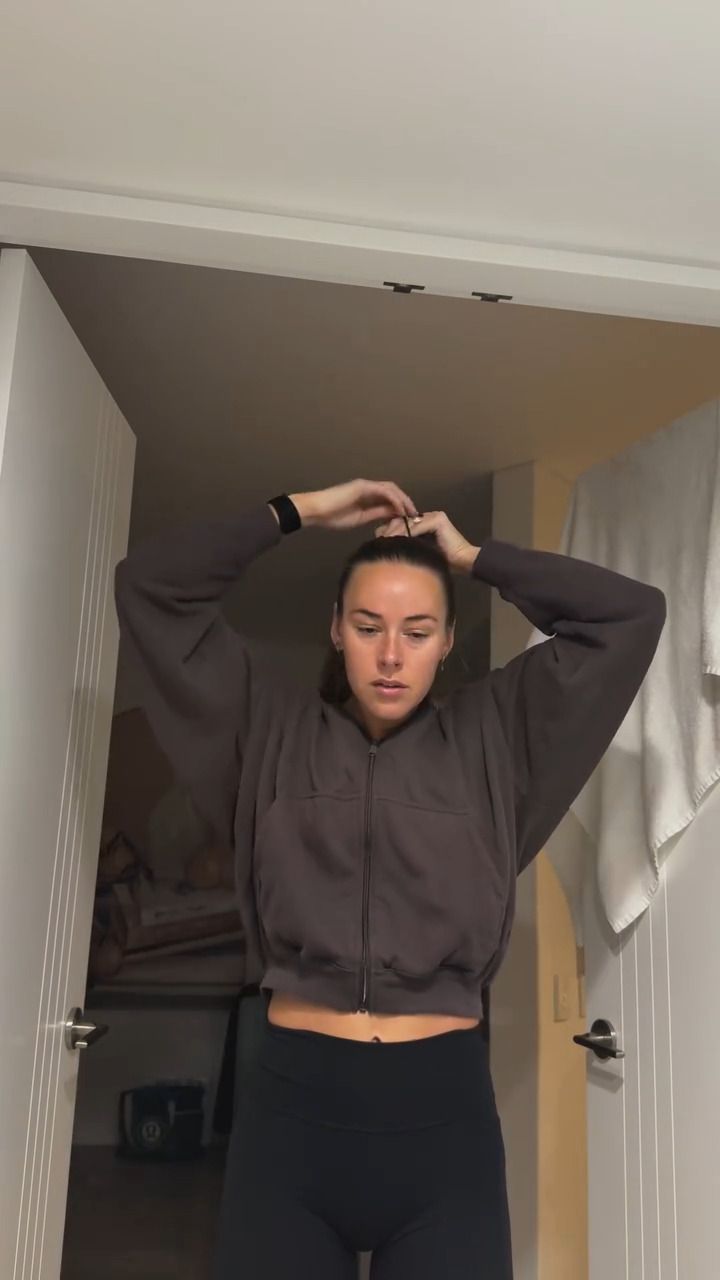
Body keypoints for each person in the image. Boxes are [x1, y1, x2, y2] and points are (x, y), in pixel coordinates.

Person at [114, 478, 666, 1278]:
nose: (392, 655)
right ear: (336, 629)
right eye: (369, 626)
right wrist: (297, 512)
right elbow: (151, 588)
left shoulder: (496, 739)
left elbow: (629, 617)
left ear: (448, 641)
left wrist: (476, 559)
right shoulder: (267, 729)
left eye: (418, 630)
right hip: (289, 1127)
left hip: (444, 1130)